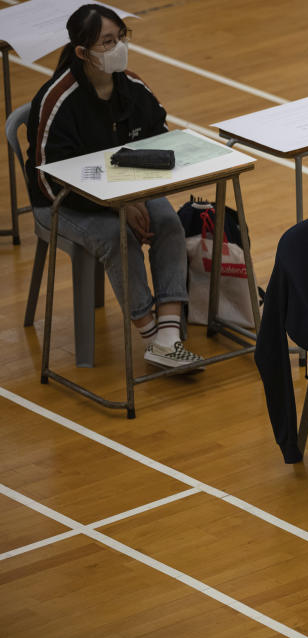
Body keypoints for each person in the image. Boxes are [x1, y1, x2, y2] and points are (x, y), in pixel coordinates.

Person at [26, 4, 202, 369]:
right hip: (64, 204)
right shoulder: (58, 100)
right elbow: (47, 180)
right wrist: (116, 205)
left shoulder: (132, 87)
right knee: (116, 235)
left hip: (128, 191)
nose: (118, 47)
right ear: (82, 52)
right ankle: (150, 333)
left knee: (168, 223)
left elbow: (160, 144)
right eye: (108, 41)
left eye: (121, 38)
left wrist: (134, 197)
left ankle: (169, 335)